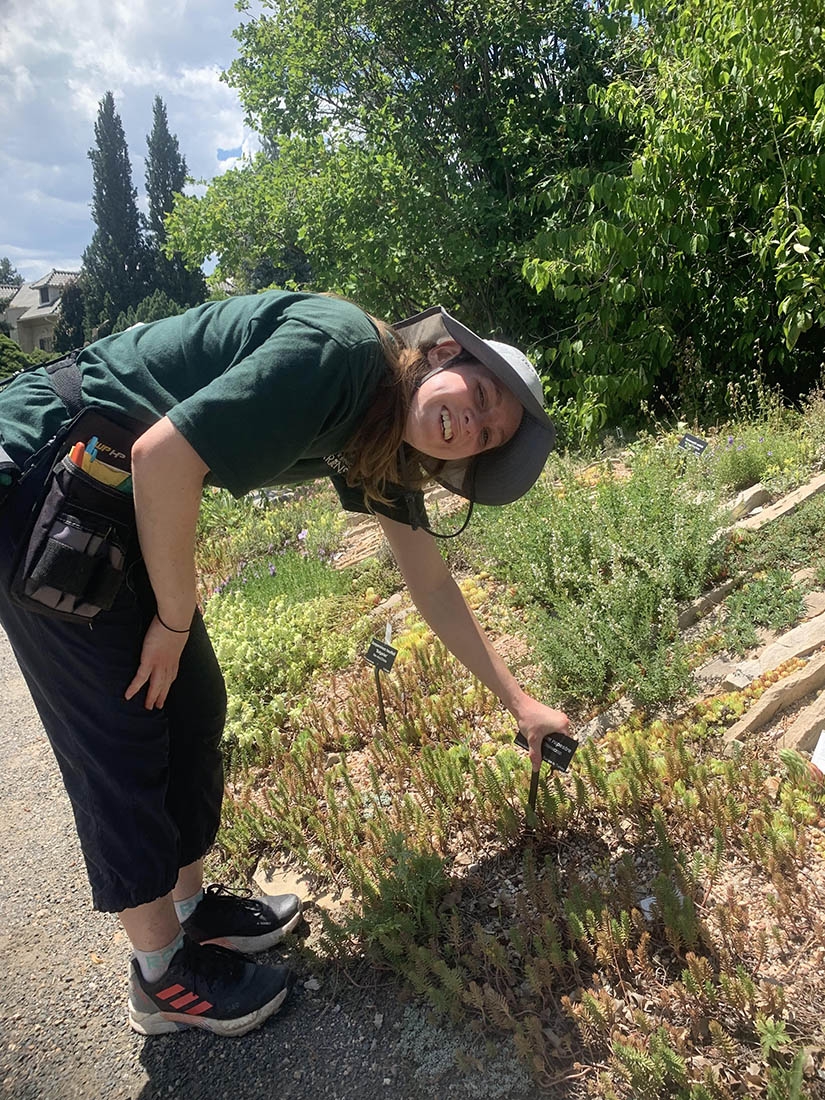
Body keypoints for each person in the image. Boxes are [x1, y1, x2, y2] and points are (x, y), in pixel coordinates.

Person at [0, 291, 570, 1038]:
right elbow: (162, 456)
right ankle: (160, 977)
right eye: (481, 397)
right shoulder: (340, 355)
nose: (472, 426)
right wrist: (171, 619)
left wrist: (518, 700)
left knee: (194, 703)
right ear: (442, 355)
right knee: (124, 729)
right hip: (45, 466)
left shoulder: (381, 434)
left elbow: (429, 582)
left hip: (115, 492)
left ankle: (188, 912)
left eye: (487, 436)